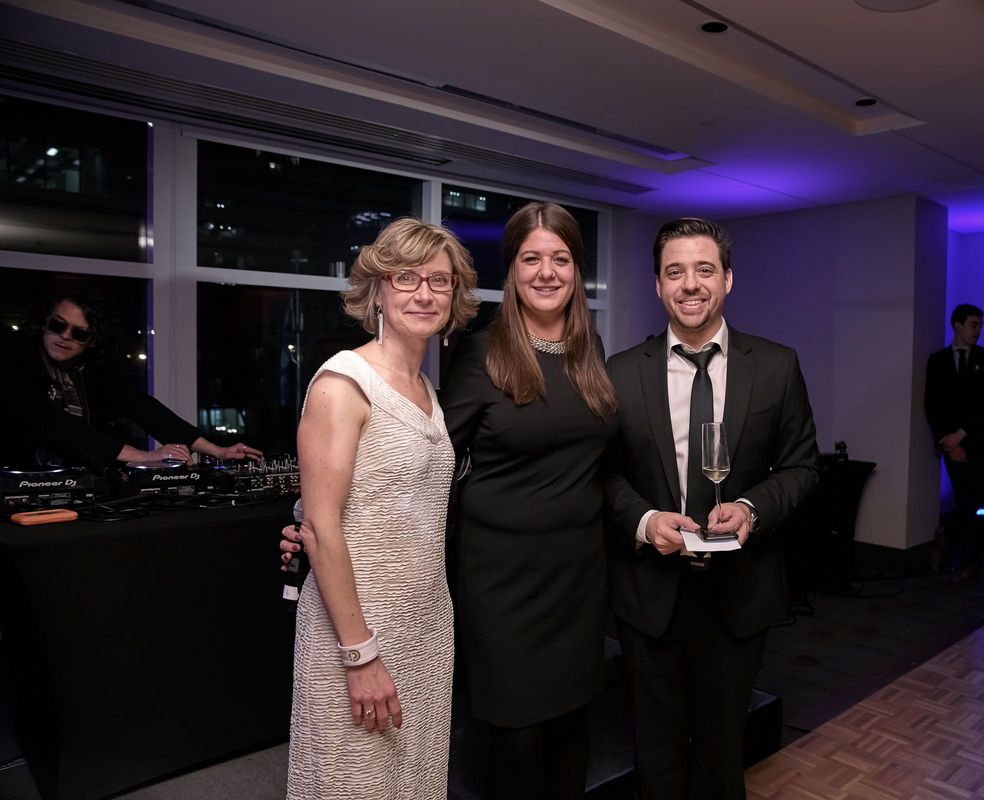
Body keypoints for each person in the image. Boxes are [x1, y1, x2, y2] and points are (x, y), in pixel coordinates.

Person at [604, 217, 820, 800]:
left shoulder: (775, 365)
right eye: (675, 271)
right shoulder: (620, 372)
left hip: (738, 595)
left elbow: (803, 467)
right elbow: (604, 474)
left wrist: (752, 507)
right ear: (657, 285)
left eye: (704, 269)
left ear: (728, 279)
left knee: (723, 756)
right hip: (650, 595)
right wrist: (645, 521)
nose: (690, 284)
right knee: (655, 756)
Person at [285, 218, 479, 799]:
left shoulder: (426, 391)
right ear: (377, 290)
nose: (424, 293)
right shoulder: (343, 384)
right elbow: (321, 527)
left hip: (424, 625)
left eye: (439, 281)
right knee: (355, 782)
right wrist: (360, 654)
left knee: (414, 782)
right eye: (406, 278)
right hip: (356, 630)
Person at [437, 202, 618, 799]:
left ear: (577, 269)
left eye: (560, 259)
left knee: (572, 728)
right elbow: (430, 461)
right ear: (511, 269)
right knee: (516, 740)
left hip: (578, 578)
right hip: (503, 585)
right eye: (530, 258)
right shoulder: (480, 353)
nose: (546, 272)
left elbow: (605, 463)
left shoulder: (592, 353)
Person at [2, 293, 263, 468]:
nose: (65, 336)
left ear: (92, 341)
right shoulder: (15, 361)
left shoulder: (91, 371)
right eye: (58, 326)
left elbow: (146, 410)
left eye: (79, 334)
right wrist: (144, 456)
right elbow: (51, 423)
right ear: (43, 322)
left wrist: (217, 451)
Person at [923, 303, 984, 582]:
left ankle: (948, 535)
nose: (978, 331)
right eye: (973, 325)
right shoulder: (938, 360)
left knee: (974, 499)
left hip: (980, 441)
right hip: (951, 444)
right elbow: (933, 403)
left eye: (980, 325)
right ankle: (968, 561)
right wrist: (948, 440)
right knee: (965, 498)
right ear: (957, 325)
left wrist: (961, 433)